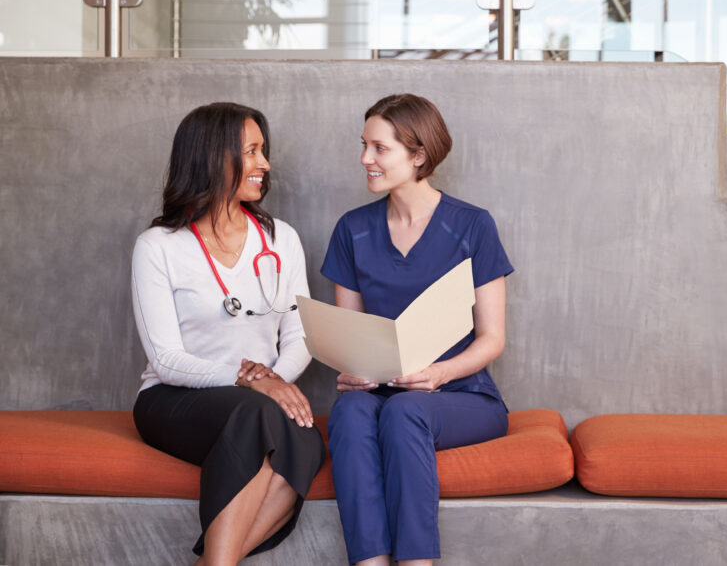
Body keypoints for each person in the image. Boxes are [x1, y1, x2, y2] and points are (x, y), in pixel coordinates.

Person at [130, 102, 325, 565]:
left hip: (259, 402)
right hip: (174, 399)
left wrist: (274, 380)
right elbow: (165, 359)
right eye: (252, 151)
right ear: (211, 157)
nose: (265, 164)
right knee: (272, 422)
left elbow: (302, 336)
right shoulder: (158, 247)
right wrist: (251, 381)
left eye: (263, 151)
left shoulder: (282, 240)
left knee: (303, 437)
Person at [322, 93, 513, 566]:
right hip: (381, 393)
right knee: (348, 411)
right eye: (364, 145)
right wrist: (349, 371)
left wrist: (439, 374)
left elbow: (492, 338)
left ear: (419, 155)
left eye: (380, 148)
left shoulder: (472, 225)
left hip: (462, 396)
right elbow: (352, 335)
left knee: (406, 411)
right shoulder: (353, 229)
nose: (365, 159)